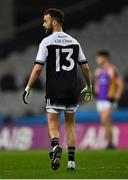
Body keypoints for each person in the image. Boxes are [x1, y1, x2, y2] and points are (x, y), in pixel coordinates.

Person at [23, 8, 93, 171]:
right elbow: (86, 68)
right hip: (71, 89)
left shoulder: (46, 42)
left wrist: (28, 87)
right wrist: (89, 86)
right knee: (70, 126)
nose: (43, 24)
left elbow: (38, 68)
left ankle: (55, 147)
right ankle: (71, 163)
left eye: (45, 21)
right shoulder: (74, 42)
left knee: (52, 124)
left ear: (54, 22)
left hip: (54, 89)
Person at [94, 50, 123, 149]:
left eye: (99, 57)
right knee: (106, 123)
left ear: (105, 58)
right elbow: (97, 84)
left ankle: (109, 141)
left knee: (104, 120)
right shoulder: (98, 71)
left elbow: (120, 84)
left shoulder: (112, 69)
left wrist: (117, 95)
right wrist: (95, 90)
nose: (97, 59)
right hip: (100, 100)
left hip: (109, 99)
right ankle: (110, 143)